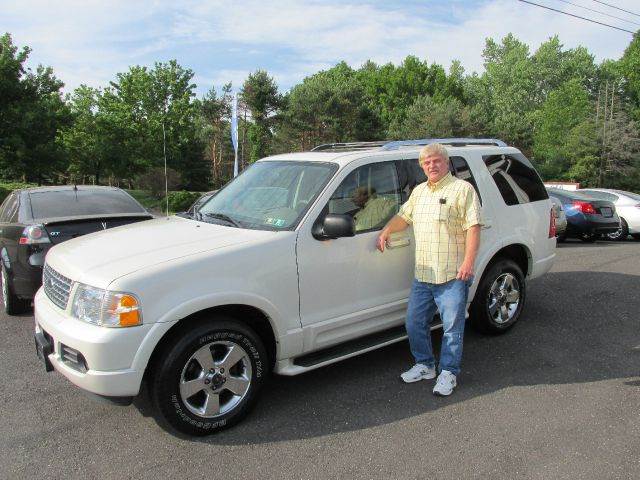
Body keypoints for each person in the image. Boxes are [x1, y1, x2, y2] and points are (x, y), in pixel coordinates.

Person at [377, 143, 481, 396]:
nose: (431, 166)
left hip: (452, 273)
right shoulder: (420, 191)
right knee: (414, 323)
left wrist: (468, 262)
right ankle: (425, 365)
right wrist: (387, 230)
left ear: (446, 163)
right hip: (423, 275)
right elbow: (405, 217)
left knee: (452, 329)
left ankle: (448, 373)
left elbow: (474, 227)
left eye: (436, 161)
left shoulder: (462, 189)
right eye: (426, 162)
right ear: (422, 166)